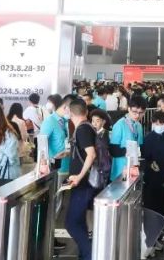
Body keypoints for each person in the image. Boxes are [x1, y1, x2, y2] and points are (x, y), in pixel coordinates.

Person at [66, 101, 98, 260]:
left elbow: (91, 154)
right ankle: (84, 255)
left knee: (71, 223)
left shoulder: (82, 129)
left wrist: (79, 176)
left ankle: (89, 255)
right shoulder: (88, 127)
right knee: (79, 221)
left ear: (70, 113)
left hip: (83, 183)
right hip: (84, 183)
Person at [142, 111, 164, 229]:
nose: (159, 126)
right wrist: (150, 164)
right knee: (152, 202)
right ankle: (151, 228)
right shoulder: (148, 138)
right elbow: (145, 157)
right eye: (157, 123)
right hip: (151, 176)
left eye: (162, 123)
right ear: (153, 123)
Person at [109, 96, 146, 182]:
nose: (137, 115)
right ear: (129, 109)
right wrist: (129, 151)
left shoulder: (138, 126)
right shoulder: (119, 125)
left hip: (133, 169)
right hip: (120, 171)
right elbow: (113, 150)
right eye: (134, 112)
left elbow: (140, 146)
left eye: (141, 113)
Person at [40, 95, 71, 173]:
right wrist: (43, 162)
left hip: (68, 163)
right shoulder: (49, 121)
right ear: (65, 107)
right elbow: (41, 143)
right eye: (71, 110)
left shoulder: (65, 121)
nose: (71, 113)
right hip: (56, 166)